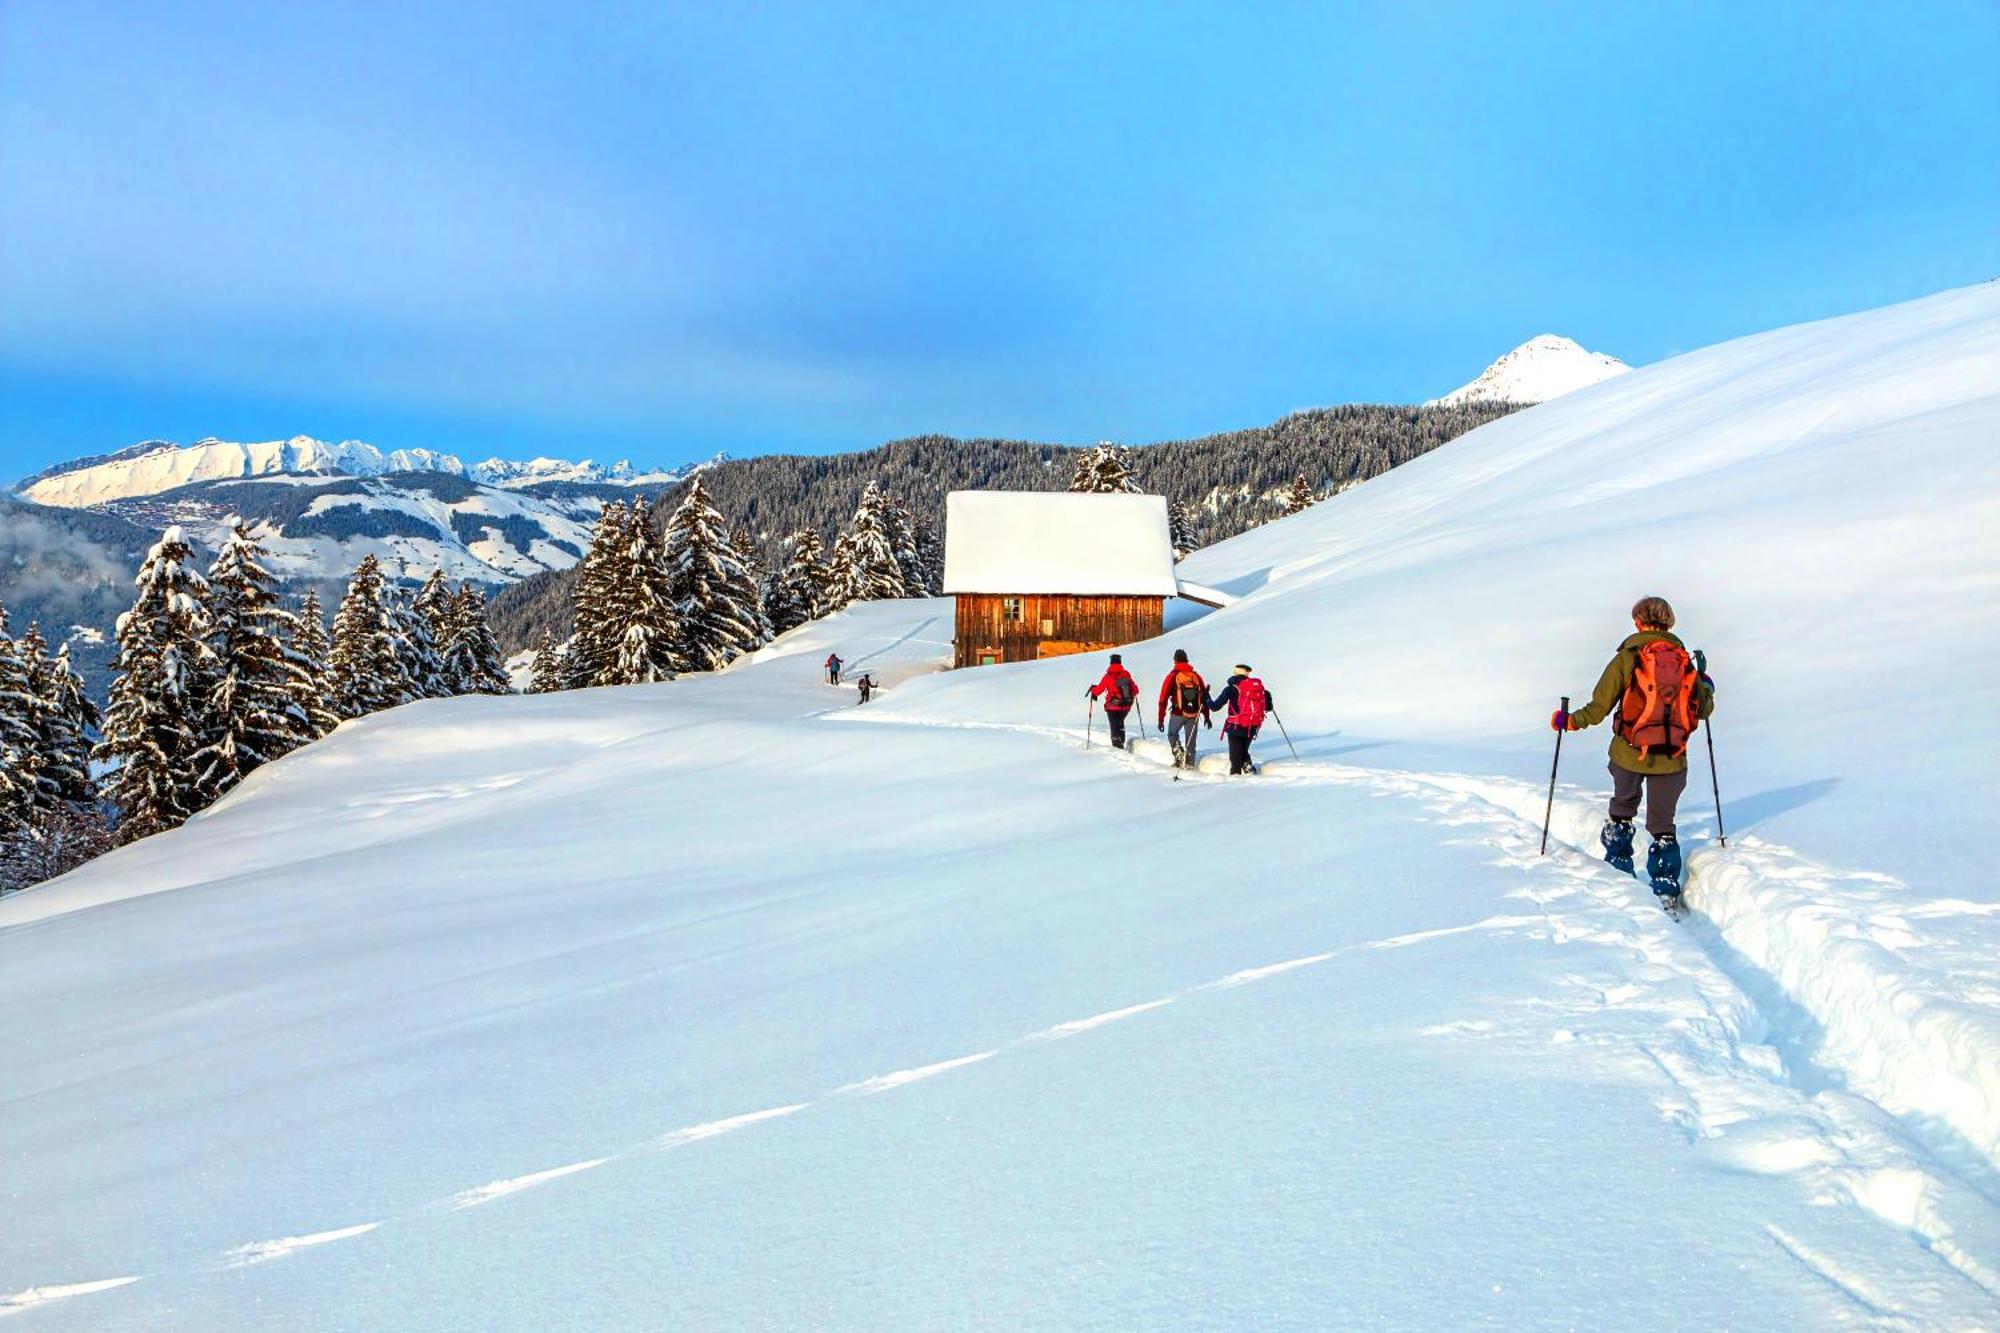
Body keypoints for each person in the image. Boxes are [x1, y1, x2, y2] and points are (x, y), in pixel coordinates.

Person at [1551, 595, 1715, 902]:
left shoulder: (1628, 657)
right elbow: (1704, 710)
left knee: (1622, 810)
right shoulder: (1683, 661)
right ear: (1670, 623)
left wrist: (1569, 722)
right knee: (1663, 825)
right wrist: (1705, 682)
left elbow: (1600, 707)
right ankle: (1665, 887)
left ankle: (1618, 871)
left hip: (1629, 751)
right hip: (1672, 757)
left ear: (1638, 622)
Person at [1208, 665, 1271, 775]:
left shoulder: (1230, 689)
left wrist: (1206, 698)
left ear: (1235, 674)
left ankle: (1236, 783)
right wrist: (1268, 697)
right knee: (1243, 751)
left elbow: (1214, 707)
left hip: (1235, 727)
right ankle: (1248, 769)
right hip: (1252, 727)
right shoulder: (1257, 689)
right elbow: (1269, 708)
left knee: (1235, 760)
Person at [1156, 649, 1211, 769]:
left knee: (1172, 734)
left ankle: (1179, 755)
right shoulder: (1195, 676)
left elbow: (1163, 697)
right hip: (1194, 714)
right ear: (1187, 660)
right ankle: (1189, 765)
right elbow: (1204, 696)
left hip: (1178, 713)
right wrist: (1207, 716)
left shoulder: (1173, 675)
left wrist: (1161, 718)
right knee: (1191, 743)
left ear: (1175, 661)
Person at [1086, 653, 1139, 749]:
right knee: (1120, 724)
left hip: (1113, 707)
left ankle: (1117, 746)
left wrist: (1092, 690)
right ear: (1120, 662)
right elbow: (1136, 690)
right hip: (1126, 706)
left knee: (1114, 726)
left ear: (1110, 663)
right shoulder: (1126, 675)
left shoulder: (1108, 676)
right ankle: (1121, 742)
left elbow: (1098, 691)